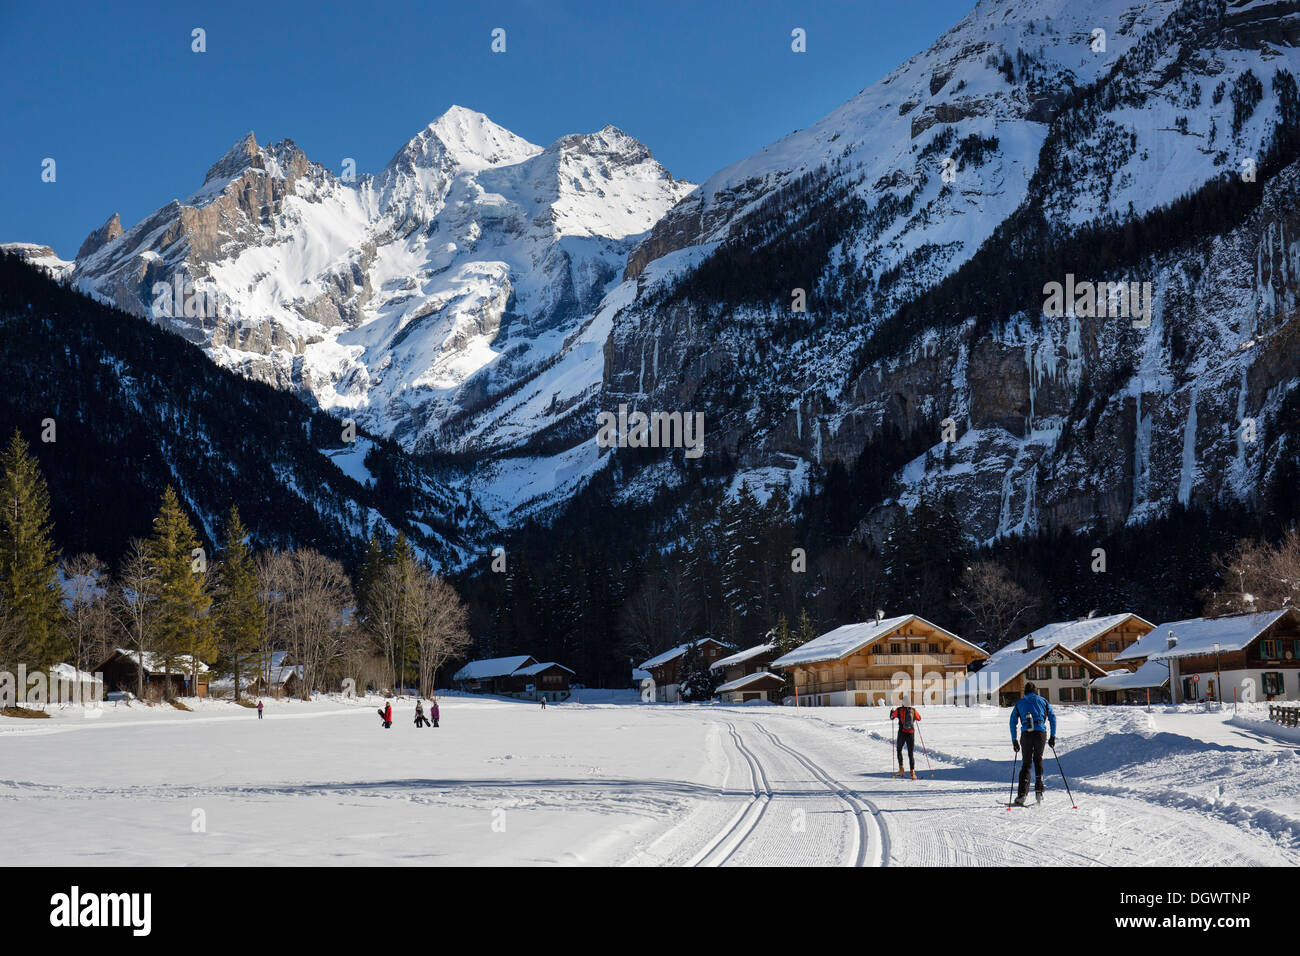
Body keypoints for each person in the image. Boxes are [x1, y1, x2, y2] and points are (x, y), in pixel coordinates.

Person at [1010, 681, 1057, 805]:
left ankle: (1022, 795)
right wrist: (1053, 736)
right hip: (1040, 734)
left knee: (1026, 764)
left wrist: (1014, 740)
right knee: (1038, 759)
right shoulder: (1043, 701)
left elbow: (1012, 722)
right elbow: (1052, 718)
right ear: (1036, 691)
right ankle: (1039, 792)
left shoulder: (1020, 703)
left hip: (1026, 734)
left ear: (1025, 692)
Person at [889, 697, 921, 779]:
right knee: (911, 753)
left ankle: (901, 769)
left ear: (903, 702)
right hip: (911, 734)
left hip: (902, 733)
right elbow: (919, 718)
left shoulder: (899, 710)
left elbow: (892, 717)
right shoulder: (913, 710)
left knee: (899, 750)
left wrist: (891, 713)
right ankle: (912, 772)